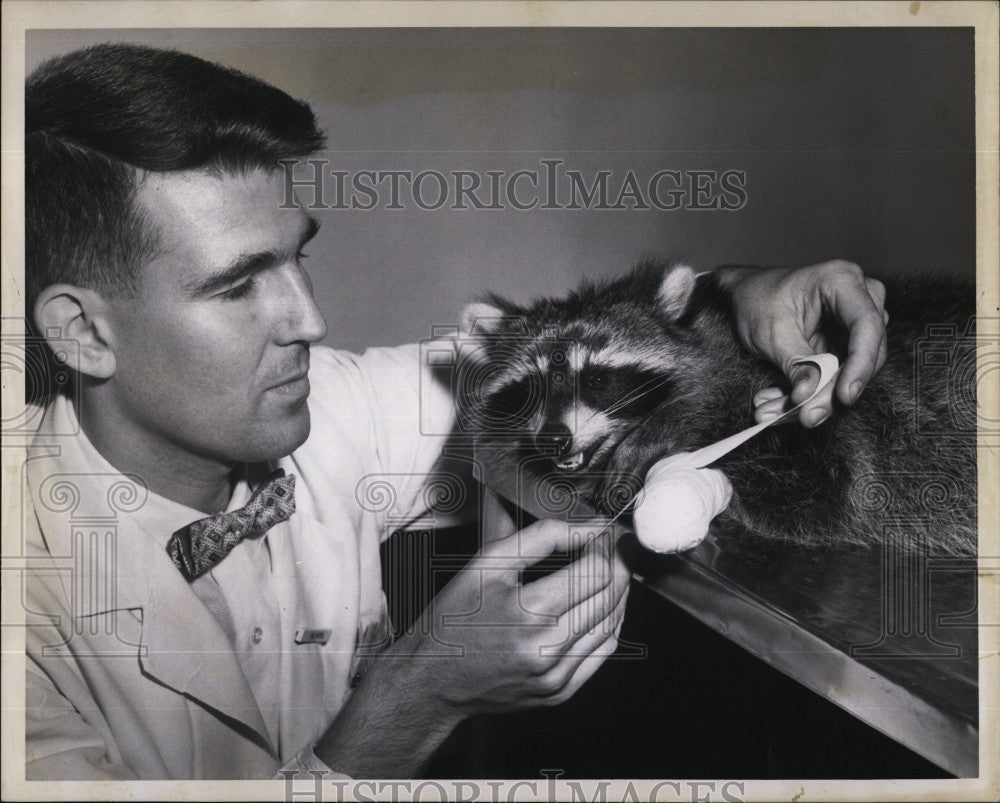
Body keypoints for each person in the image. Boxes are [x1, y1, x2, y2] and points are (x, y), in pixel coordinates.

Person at [20, 42, 889, 780]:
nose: (310, 320)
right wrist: (418, 692)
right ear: (83, 333)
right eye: (240, 284)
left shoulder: (326, 410)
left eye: (297, 259)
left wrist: (734, 290)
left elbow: (576, 355)